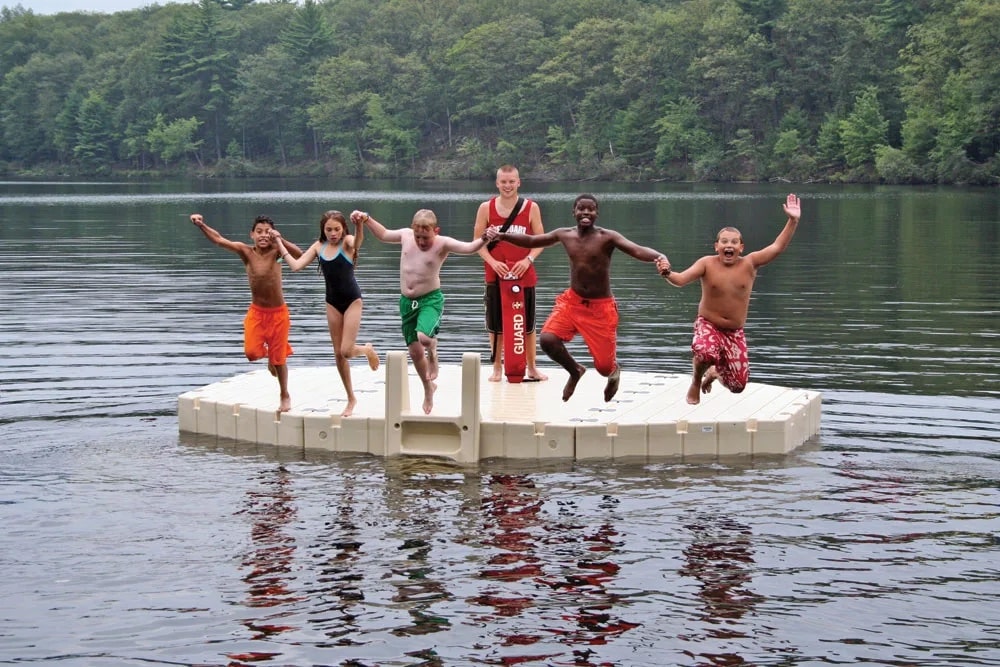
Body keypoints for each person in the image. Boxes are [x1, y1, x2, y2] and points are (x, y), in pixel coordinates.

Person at [496, 193, 670, 403]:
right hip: (573, 302)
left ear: (597, 213)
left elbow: (637, 250)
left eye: (591, 209)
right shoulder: (565, 234)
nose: (586, 213)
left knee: (604, 368)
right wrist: (502, 236)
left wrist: (660, 257)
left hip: (600, 309)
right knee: (548, 339)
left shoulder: (607, 237)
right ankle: (575, 371)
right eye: (581, 208)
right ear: (574, 212)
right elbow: (532, 240)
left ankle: (614, 372)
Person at [657, 193, 801, 405]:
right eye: (724, 242)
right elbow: (680, 280)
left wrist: (793, 220)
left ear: (741, 247)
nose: (729, 245)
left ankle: (715, 373)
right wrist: (667, 273)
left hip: (734, 331)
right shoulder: (706, 263)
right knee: (705, 352)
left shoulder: (750, 264)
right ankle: (696, 380)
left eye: (734, 242)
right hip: (708, 324)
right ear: (716, 246)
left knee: (738, 385)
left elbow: (777, 247)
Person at [351, 208, 498, 414]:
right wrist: (366, 219)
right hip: (407, 302)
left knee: (424, 338)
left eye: (426, 237)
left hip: (430, 300)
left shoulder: (442, 243)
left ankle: (433, 351)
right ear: (413, 230)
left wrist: (485, 237)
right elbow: (383, 234)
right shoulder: (405, 236)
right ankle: (428, 388)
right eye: (418, 236)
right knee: (414, 351)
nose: (421, 241)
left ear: (435, 231)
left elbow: (469, 248)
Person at [190, 213, 304, 412]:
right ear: (252, 234)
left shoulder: (277, 252)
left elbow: (299, 255)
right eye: (259, 231)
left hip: (278, 314)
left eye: (268, 232)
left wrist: (280, 239)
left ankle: (284, 394)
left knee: (279, 360)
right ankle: (272, 356)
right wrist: (201, 225)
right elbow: (219, 240)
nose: (263, 235)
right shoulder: (246, 252)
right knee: (251, 353)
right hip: (257, 313)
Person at [272, 210, 380, 418]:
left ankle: (366, 350)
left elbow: (358, 243)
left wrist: (359, 225)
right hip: (332, 303)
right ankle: (351, 398)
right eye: (329, 229)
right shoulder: (318, 247)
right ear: (323, 230)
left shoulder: (347, 242)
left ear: (343, 229)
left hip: (352, 301)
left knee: (347, 351)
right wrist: (279, 243)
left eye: (337, 229)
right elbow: (296, 266)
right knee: (338, 354)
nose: (333, 233)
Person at [473, 165, 548, 382]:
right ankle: (497, 367)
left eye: (511, 181)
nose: (508, 186)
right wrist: (493, 262)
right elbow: (477, 243)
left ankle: (532, 367)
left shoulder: (531, 207)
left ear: (518, 182)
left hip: (524, 274)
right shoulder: (486, 208)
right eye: (504, 182)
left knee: (528, 324)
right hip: (495, 275)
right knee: (495, 325)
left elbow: (540, 241)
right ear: (497, 183)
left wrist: (528, 259)